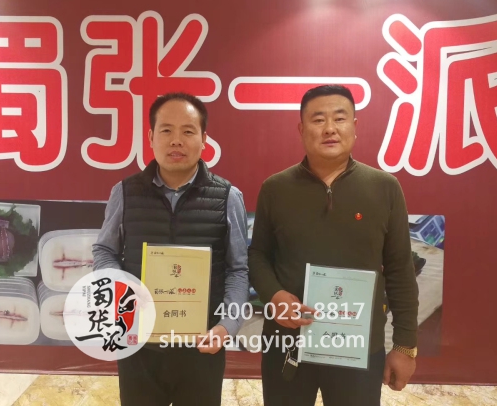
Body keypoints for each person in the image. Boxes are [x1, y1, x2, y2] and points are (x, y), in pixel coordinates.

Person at [248, 85, 419, 406]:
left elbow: (400, 270)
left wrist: (405, 346)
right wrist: (273, 295)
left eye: (339, 118)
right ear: (301, 129)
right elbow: (258, 255)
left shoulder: (385, 188)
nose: (329, 128)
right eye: (318, 120)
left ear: (355, 125)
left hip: (358, 348)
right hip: (287, 343)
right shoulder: (276, 188)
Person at [92, 92, 250, 406]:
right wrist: (122, 294)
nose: (176, 140)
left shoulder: (228, 197)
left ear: (204, 139)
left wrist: (227, 325)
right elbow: (104, 251)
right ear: (151, 137)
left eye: (188, 131)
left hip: (202, 348)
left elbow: (238, 269)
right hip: (138, 345)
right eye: (166, 130)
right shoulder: (125, 192)